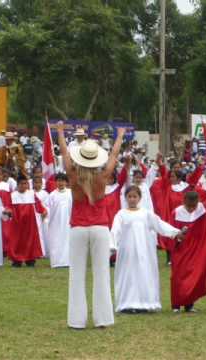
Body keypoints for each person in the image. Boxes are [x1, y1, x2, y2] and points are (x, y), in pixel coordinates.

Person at [57, 121, 125, 329]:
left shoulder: (72, 175)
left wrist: (60, 131)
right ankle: (103, 319)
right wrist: (120, 135)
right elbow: (114, 156)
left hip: (78, 227)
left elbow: (65, 153)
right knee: (101, 273)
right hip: (99, 228)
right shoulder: (103, 176)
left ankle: (76, 321)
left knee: (76, 274)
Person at [111, 185, 182, 314]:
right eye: (130, 197)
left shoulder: (146, 213)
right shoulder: (121, 214)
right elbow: (115, 230)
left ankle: (145, 302)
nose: (132, 199)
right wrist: (112, 245)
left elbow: (159, 224)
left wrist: (175, 232)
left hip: (144, 251)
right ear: (126, 198)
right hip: (128, 251)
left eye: (135, 196)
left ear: (139, 198)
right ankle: (128, 303)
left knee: (143, 273)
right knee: (129, 275)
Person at [168, 170, 206, 313]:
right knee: (177, 277)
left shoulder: (203, 208)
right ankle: (176, 304)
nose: (191, 209)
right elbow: (170, 232)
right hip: (181, 250)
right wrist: (177, 237)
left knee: (195, 276)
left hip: (198, 250)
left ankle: (189, 304)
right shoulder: (176, 212)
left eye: (193, 206)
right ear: (183, 201)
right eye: (188, 206)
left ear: (198, 202)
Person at [8, 175, 47, 267]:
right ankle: (17, 260)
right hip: (17, 222)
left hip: (30, 222)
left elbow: (38, 204)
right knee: (17, 241)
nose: (24, 186)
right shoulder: (13, 195)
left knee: (30, 240)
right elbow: (8, 206)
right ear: (17, 185)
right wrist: (8, 211)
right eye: (21, 184)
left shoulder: (31, 194)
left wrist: (43, 211)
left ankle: (30, 259)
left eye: (25, 183)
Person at [46, 173, 72, 268]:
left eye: (63, 181)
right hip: (55, 223)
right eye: (58, 181)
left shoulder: (70, 193)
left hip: (68, 223)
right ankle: (56, 262)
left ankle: (67, 262)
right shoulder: (52, 195)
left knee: (67, 241)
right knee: (56, 241)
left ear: (66, 182)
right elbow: (47, 209)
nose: (60, 183)